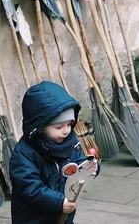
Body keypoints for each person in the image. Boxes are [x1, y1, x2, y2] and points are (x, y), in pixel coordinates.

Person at [10, 81, 99, 224]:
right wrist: (59, 202)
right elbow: (30, 186)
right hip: (33, 217)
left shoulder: (70, 143)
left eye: (69, 124)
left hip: (62, 214)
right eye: (59, 126)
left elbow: (78, 163)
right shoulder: (24, 154)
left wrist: (90, 166)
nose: (66, 130)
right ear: (39, 127)